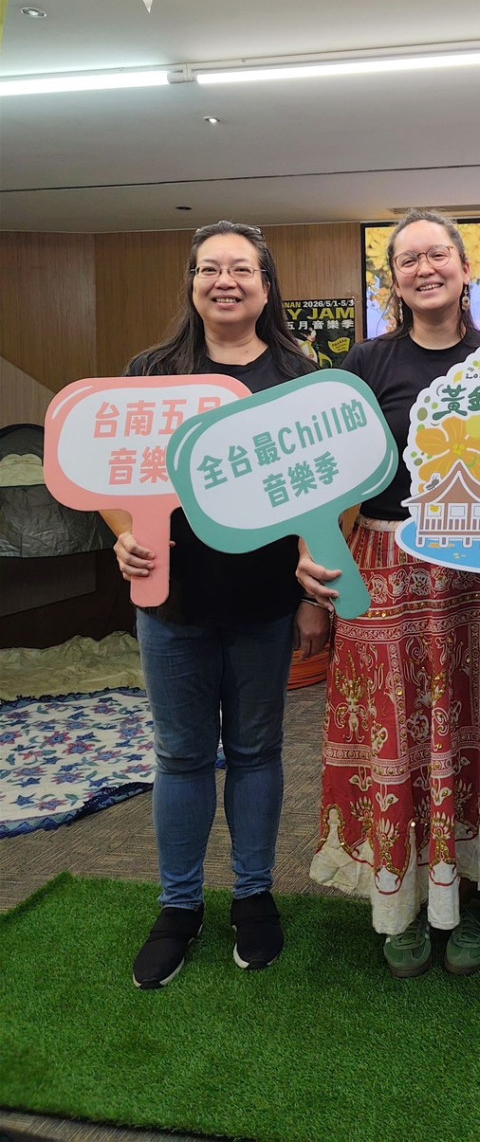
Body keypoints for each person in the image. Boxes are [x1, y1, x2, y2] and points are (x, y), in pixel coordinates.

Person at [298, 209, 480, 979]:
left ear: (465, 269)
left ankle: (473, 898)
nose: (425, 269)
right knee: (392, 735)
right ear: (393, 280)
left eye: (438, 255)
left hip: (475, 568)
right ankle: (397, 904)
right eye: (408, 260)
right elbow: (330, 476)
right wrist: (311, 558)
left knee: (469, 729)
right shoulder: (366, 364)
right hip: (384, 564)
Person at [107, 220, 328, 989]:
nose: (224, 281)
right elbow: (110, 474)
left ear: (266, 285)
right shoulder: (151, 372)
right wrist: (122, 535)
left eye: (240, 269)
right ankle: (178, 906)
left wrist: (313, 597)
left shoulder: (298, 375)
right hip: (171, 602)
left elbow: (319, 494)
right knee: (181, 754)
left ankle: (253, 896)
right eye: (209, 268)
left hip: (266, 601)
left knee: (258, 751)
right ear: (192, 282)